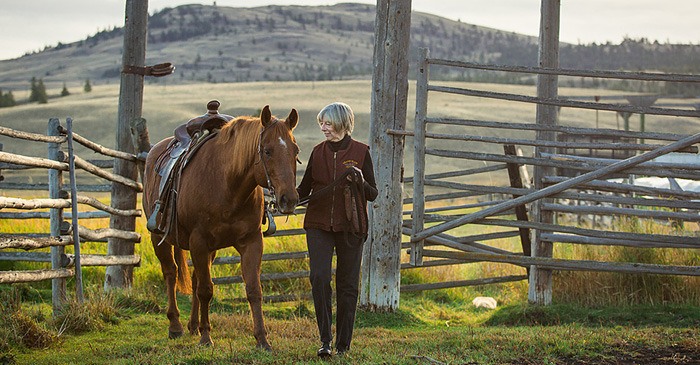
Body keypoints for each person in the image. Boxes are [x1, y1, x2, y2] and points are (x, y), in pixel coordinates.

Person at [297, 102, 378, 358]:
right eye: (321, 123)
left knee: (347, 285)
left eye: (328, 123)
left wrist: (360, 180)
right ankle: (325, 341)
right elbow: (304, 189)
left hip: (351, 227)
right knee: (319, 278)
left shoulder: (361, 152)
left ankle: (343, 345)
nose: (323, 128)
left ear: (342, 124)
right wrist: (283, 196)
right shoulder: (317, 151)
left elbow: (373, 194)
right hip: (318, 223)